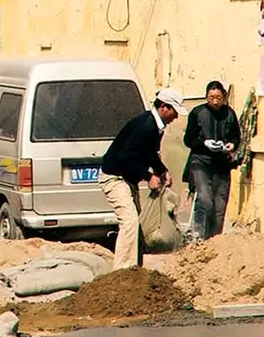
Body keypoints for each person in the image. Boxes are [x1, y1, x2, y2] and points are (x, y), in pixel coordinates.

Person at [98, 87, 184, 270]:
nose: (175, 117)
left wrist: (162, 170)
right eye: (174, 112)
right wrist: (148, 176)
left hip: (127, 179)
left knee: (136, 226)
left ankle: (135, 270)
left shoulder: (156, 126)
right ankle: (122, 272)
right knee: (129, 222)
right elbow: (127, 158)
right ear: (163, 107)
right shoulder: (146, 126)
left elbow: (150, 154)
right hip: (114, 178)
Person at [183, 80, 241, 242]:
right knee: (205, 199)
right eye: (211, 97)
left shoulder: (230, 114)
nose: (215, 101)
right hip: (201, 162)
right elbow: (188, 139)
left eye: (218, 97)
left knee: (219, 207)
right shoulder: (197, 113)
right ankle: (198, 238)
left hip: (222, 164)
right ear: (206, 97)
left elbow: (236, 136)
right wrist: (204, 143)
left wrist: (231, 145)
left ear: (223, 97)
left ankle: (215, 242)